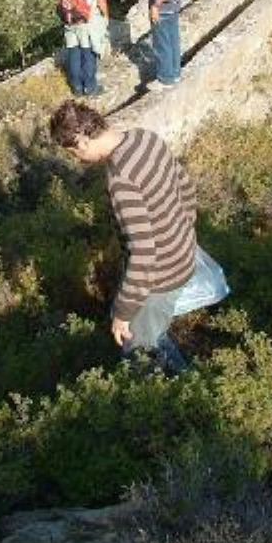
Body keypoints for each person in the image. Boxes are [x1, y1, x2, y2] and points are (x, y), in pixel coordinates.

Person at [49, 99, 195, 373]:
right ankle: (179, 371)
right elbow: (185, 187)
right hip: (184, 256)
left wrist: (122, 315)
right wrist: (181, 233)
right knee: (155, 329)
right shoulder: (146, 138)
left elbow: (144, 254)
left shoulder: (120, 178)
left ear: (81, 143)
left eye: (73, 154)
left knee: (140, 353)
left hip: (159, 277)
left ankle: (164, 403)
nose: (78, 160)